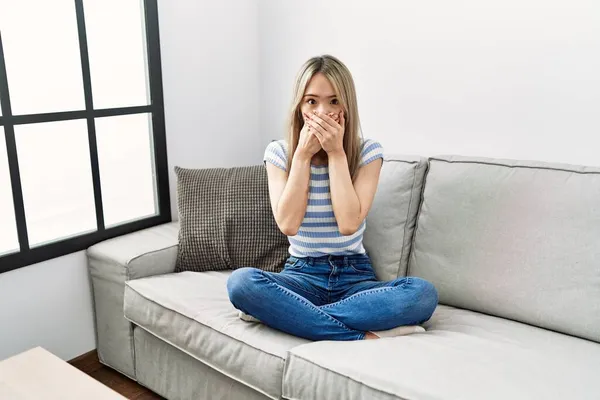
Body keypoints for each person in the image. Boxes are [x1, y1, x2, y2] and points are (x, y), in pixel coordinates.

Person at [227, 54, 438, 341]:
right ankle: (361, 335)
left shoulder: (367, 152)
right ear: (299, 106)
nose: (322, 112)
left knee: (422, 295)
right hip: (301, 275)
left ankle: (289, 314)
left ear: (346, 106)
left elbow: (348, 224)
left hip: (354, 277)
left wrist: (337, 153)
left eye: (334, 101)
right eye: (312, 101)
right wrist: (302, 155)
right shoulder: (279, 153)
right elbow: (288, 224)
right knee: (242, 284)